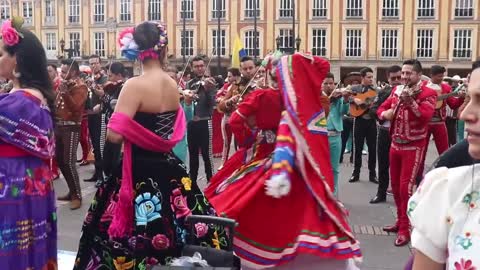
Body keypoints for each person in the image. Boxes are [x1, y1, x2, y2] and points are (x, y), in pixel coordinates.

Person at [74, 22, 225, 269]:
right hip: (169, 167)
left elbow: (113, 136)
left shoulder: (134, 86)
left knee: (124, 234)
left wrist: (118, 123)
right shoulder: (172, 84)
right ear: (164, 50)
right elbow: (171, 128)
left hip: (138, 170)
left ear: (135, 51)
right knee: (174, 225)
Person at [205, 53, 361, 269]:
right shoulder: (306, 100)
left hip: (265, 155)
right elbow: (321, 66)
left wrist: (248, 139)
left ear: (270, 74)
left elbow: (235, 119)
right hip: (300, 163)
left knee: (236, 199)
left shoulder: (261, 96)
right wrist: (293, 61)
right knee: (305, 213)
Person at [408, 60, 480, 270]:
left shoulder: (443, 89)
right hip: (409, 139)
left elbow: (450, 107)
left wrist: (454, 98)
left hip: (436, 127)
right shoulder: (448, 190)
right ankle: (403, 226)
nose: (465, 114)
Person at [0, 18, 57, 269]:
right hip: (34, 182)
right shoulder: (35, 98)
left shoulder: (16, 105)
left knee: (14, 245)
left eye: (1, 53)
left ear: (17, 60)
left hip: (13, 181)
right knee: (32, 242)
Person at [377, 59, 437, 247]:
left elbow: (425, 116)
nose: (404, 77)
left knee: (406, 188)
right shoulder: (396, 90)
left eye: (408, 73)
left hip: (413, 145)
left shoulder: (428, 93)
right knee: (394, 186)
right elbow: (381, 108)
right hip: (395, 143)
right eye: (403, 73)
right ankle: (400, 221)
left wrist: (410, 102)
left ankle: (406, 228)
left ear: (418, 75)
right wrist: (384, 114)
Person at [56, 59, 88, 210]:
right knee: (61, 161)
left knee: (69, 161)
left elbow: (75, 108)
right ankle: (71, 191)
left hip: (72, 127)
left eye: (64, 71)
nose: (61, 74)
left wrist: (65, 93)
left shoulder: (81, 87)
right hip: (59, 127)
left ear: (73, 71)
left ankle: (77, 196)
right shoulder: (65, 85)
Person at [369, 65, 402, 204]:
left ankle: (401, 196)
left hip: (402, 134)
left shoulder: (410, 92)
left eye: (399, 77)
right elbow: (373, 110)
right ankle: (381, 193)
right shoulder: (383, 92)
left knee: (401, 167)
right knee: (383, 164)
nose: (396, 80)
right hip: (384, 132)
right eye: (393, 78)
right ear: (388, 79)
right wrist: (383, 116)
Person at [185, 55, 218, 183]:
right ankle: (192, 182)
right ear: (192, 68)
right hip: (192, 123)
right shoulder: (189, 83)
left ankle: (211, 181)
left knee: (207, 155)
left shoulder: (210, 83)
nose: (199, 69)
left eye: (201, 66)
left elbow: (212, 104)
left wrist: (207, 90)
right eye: (196, 66)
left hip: (205, 122)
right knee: (192, 155)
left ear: (205, 67)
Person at [349, 67, 378, 183]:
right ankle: (355, 173)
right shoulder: (355, 88)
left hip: (371, 121)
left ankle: (372, 174)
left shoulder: (376, 90)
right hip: (359, 121)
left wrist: (372, 105)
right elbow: (346, 96)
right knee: (358, 148)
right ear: (362, 78)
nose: (371, 79)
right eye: (369, 77)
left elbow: (378, 103)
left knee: (372, 149)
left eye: (372, 77)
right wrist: (354, 100)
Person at [322, 72, 349, 196]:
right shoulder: (319, 98)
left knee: (335, 168)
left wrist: (346, 99)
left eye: (331, 83)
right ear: (321, 85)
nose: (329, 86)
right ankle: (321, 195)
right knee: (320, 168)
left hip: (335, 136)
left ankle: (334, 196)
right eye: (326, 83)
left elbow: (345, 111)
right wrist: (328, 101)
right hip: (320, 136)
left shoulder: (339, 97)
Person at [84, 54, 108, 183]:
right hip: (90, 114)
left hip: (100, 115)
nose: (93, 66)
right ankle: (96, 172)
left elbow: (103, 93)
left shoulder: (104, 79)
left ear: (100, 63)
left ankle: (101, 175)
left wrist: (93, 86)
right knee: (93, 144)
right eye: (91, 63)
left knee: (99, 146)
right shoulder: (90, 78)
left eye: (95, 63)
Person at [101, 62, 126, 178]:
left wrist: (103, 96)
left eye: (110, 76)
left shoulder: (124, 88)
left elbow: (113, 105)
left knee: (114, 161)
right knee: (106, 160)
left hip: (117, 130)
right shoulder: (113, 88)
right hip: (108, 126)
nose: (108, 79)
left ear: (119, 75)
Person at [217, 67, 241, 167]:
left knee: (240, 143)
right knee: (226, 141)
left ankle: (240, 162)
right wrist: (227, 101)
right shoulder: (230, 86)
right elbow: (223, 101)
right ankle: (224, 162)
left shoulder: (243, 86)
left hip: (239, 118)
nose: (228, 78)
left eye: (230, 76)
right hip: (228, 116)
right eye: (228, 76)